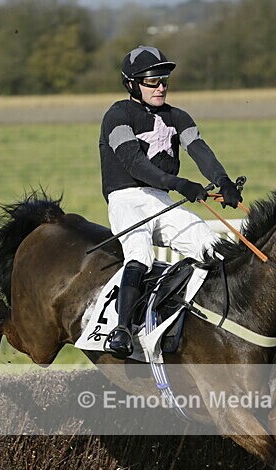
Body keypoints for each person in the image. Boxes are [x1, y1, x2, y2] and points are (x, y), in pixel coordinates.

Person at [99, 44, 243, 359]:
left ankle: (212, 324)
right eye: (152, 81)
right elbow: (134, 163)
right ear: (132, 84)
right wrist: (178, 183)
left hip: (160, 199)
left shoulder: (178, 116)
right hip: (126, 198)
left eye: (163, 79)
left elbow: (200, 150)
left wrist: (224, 182)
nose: (161, 86)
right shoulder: (117, 115)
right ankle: (122, 330)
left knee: (209, 246)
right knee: (140, 255)